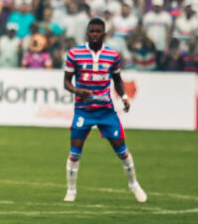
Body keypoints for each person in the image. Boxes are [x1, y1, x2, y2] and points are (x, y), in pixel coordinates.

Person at [63, 18, 147, 204]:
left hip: (106, 111)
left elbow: (117, 79)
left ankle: (133, 184)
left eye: (98, 31)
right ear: (87, 33)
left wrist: (124, 97)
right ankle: (71, 190)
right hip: (83, 111)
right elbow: (66, 83)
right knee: (75, 152)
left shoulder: (112, 55)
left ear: (104, 34)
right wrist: (78, 91)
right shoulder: (75, 54)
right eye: (91, 31)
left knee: (122, 151)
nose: (94, 34)